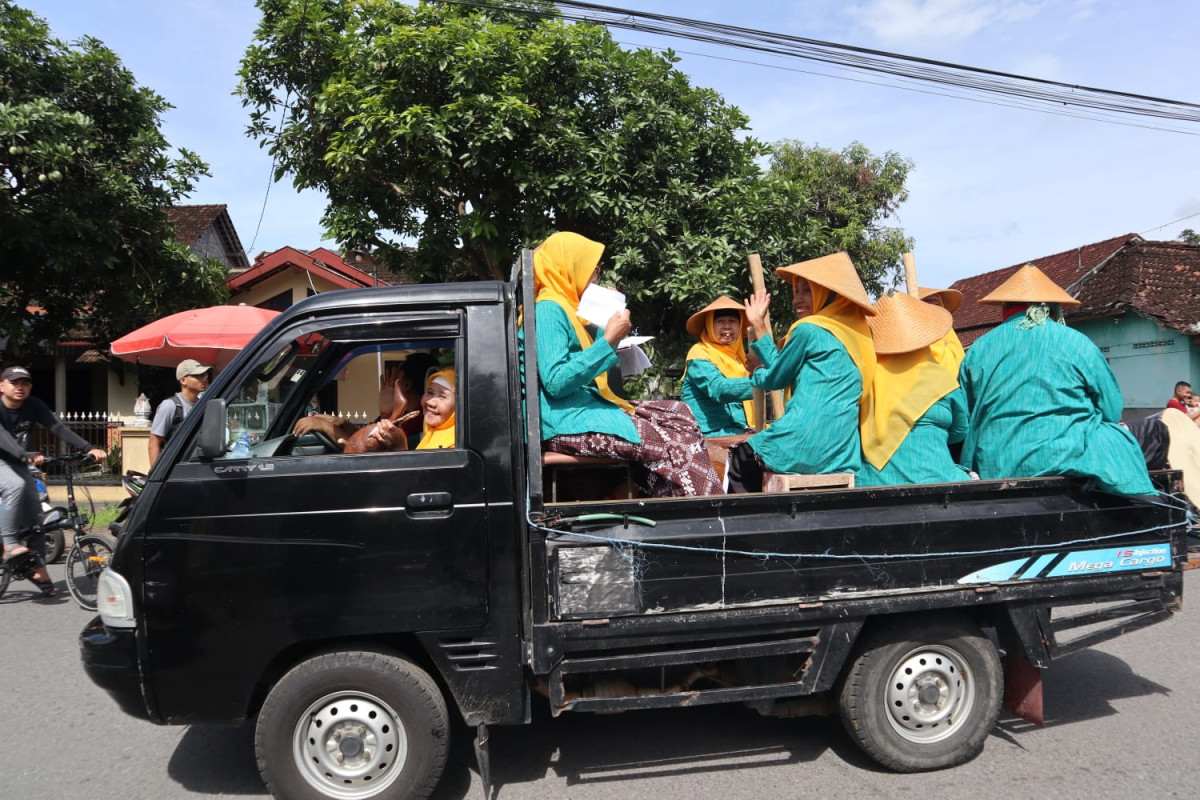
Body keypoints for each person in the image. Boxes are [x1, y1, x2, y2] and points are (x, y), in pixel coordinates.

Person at [531, 231, 721, 497]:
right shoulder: (549, 308)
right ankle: (704, 509)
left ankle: (673, 498)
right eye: (592, 269)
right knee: (673, 444)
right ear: (569, 267)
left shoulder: (566, 306)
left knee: (678, 413)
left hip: (581, 411)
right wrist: (609, 338)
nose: (596, 277)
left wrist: (606, 315)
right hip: (564, 421)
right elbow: (557, 381)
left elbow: (587, 355)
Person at [958, 264, 1153, 496]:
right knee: (1150, 431)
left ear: (1005, 306)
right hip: (1066, 457)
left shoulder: (978, 348)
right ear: (1052, 307)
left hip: (996, 462)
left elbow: (964, 417)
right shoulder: (1078, 342)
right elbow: (1111, 409)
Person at [725, 252, 877, 493]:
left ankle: (744, 528)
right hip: (842, 451)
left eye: (807, 291)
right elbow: (785, 369)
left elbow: (775, 378)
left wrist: (758, 337)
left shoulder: (809, 329)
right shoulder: (858, 334)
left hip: (804, 440)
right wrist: (763, 342)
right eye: (796, 291)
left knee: (741, 457)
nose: (797, 299)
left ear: (829, 295)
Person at [1, 365, 106, 597]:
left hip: (19, 463)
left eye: (25, 383)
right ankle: (9, 543)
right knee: (15, 485)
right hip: (4, 461)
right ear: (2, 386)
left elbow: (57, 426)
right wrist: (24, 455)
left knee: (37, 518)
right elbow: (4, 438)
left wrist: (88, 448)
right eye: (14, 382)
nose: (20, 387)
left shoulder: (33, 405)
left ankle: (38, 570)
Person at [857, 291, 969, 486]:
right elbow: (959, 431)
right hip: (938, 479)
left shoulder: (863, 375)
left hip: (871, 481)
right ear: (923, 336)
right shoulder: (941, 377)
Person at [681, 297, 756, 437]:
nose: (727, 326)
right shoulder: (699, 353)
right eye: (720, 321)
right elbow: (719, 389)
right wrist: (764, 381)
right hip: (707, 435)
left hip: (738, 430)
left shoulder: (739, 360)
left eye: (733, 321)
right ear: (709, 325)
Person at [148, 359, 211, 465]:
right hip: (176, 471)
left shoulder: (204, 405)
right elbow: (154, 443)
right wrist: (155, 478)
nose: (204, 379)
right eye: (198, 376)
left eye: (204, 375)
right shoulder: (170, 406)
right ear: (183, 380)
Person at [918, 286, 967, 372]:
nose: (933, 310)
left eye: (936, 305)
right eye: (927, 305)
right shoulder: (914, 337)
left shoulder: (948, 332)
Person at [416, 368, 457, 449]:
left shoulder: (456, 446)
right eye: (430, 392)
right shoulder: (427, 434)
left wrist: (400, 447)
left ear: (458, 405)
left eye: (442, 396)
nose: (431, 403)